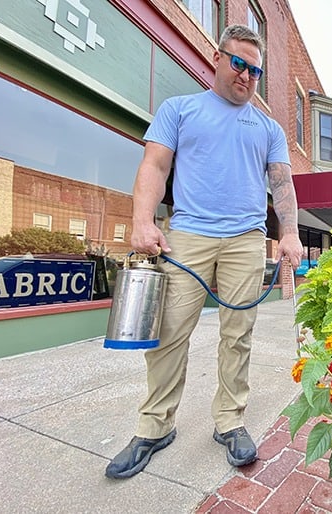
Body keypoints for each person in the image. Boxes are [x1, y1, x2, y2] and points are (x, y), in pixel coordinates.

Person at [105, 24, 303, 479]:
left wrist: (288, 232)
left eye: (255, 70)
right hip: (187, 236)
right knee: (169, 334)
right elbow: (154, 165)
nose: (247, 76)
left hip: (246, 240)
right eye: (239, 64)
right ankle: (154, 426)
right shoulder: (180, 109)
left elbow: (282, 184)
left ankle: (230, 421)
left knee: (238, 335)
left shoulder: (267, 127)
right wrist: (141, 221)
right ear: (217, 58)